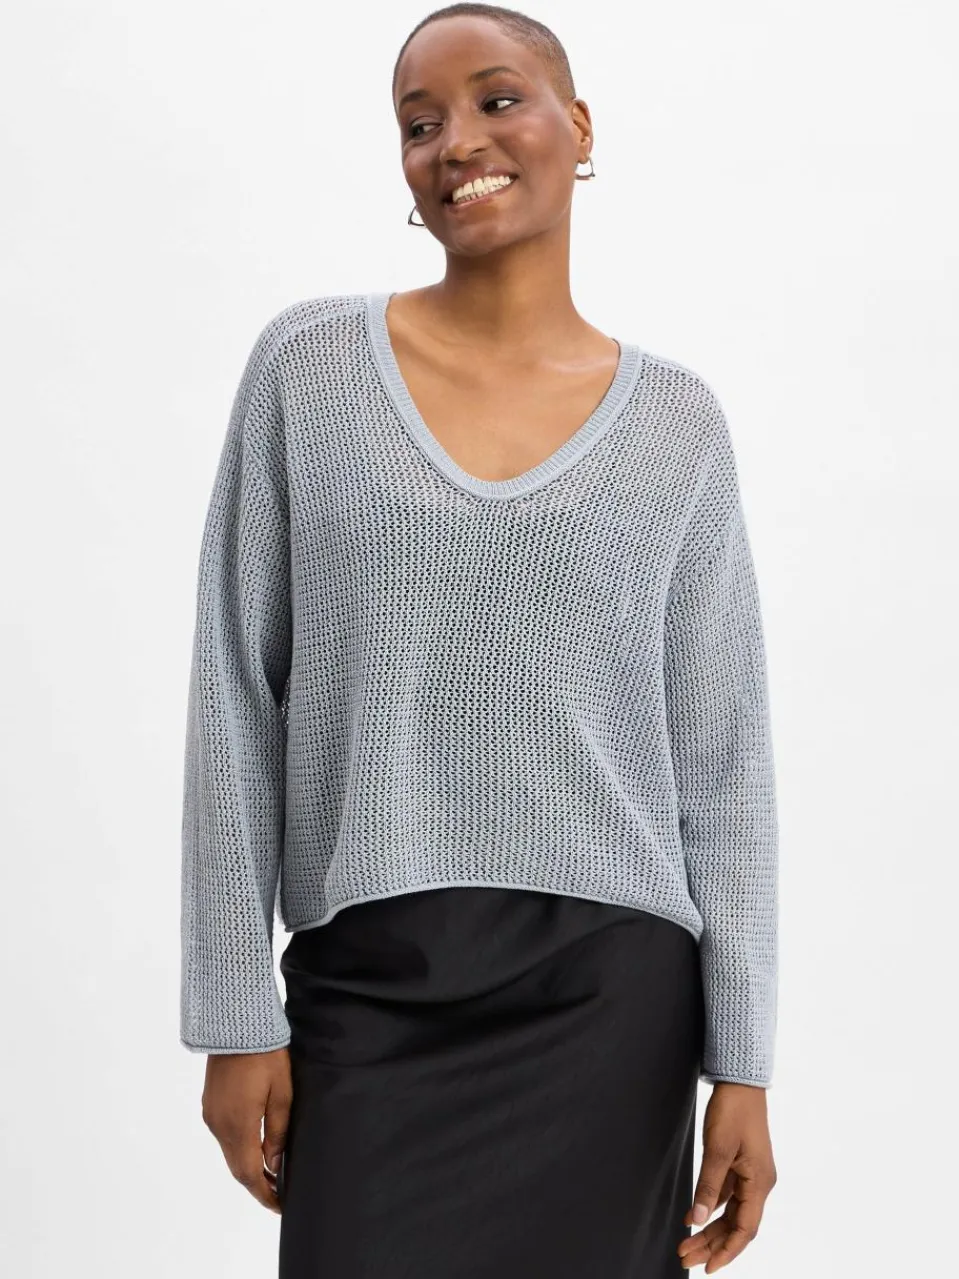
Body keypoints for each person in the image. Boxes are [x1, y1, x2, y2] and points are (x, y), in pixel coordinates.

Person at [179, 4, 780, 1276]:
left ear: (579, 127)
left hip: (609, 1000)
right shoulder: (307, 373)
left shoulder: (677, 426)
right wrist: (235, 1012)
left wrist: (742, 1064)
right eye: (419, 123)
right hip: (368, 986)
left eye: (497, 100)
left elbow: (724, 764)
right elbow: (235, 693)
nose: (456, 141)